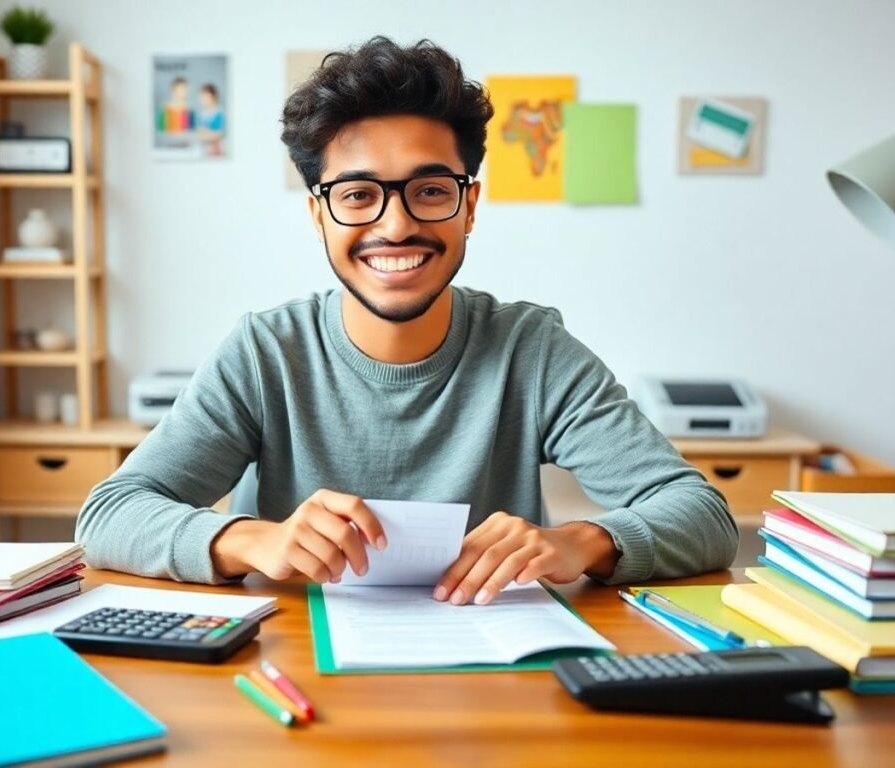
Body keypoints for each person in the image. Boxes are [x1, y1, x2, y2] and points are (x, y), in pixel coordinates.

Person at [77, 37, 737, 605]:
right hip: (292, 677)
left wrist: (583, 541)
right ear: (318, 217)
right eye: (358, 195)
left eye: (429, 191)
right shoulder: (266, 353)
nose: (396, 226)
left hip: (492, 682)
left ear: (469, 206)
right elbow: (108, 515)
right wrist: (250, 539)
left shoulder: (531, 352)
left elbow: (704, 515)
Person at [196, 83, 225, 156]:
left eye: (205, 97)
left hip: (216, 151)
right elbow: (199, 131)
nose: (202, 99)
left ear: (213, 97)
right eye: (201, 97)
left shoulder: (219, 113)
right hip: (205, 150)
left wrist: (204, 135)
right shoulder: (202, 113)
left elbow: (218, 134)